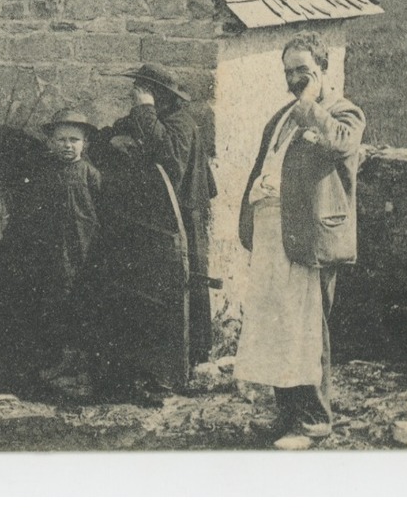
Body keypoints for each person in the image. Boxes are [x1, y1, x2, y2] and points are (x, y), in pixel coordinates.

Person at [232, 33, 366, 445]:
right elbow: (265, 165)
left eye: (303, 71)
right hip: (275, 233)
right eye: (288, 72)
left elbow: (342, 144)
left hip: (309, 238)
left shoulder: (343, 112)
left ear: (322, 70)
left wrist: (310, 106)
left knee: (307, 330)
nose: (294, 79)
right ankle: (288, 415)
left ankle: (314, 422)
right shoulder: (283, 116)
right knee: (277, 326)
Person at [105, 63, 218, 365]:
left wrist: (145, 110)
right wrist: (112, 141)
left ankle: (192, 358)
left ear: (159, 95)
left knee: (185, 282)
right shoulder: (150, 118)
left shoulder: (180, 122)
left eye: (142, 91)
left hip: (185, 216)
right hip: (157, 219)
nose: (136, 96)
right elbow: (119, 132)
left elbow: (170, 162)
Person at [29, 109, 103, 389]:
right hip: (55, 253)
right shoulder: (46, 173)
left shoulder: (90, 174)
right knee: (58, 306)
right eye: (61, 139)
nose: (67, 145)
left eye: (74, 139)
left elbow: (102, 215)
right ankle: (65, 359)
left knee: (84, 307)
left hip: (85, 253)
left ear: (85, 144)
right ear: (51, 141)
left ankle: (85, 366)